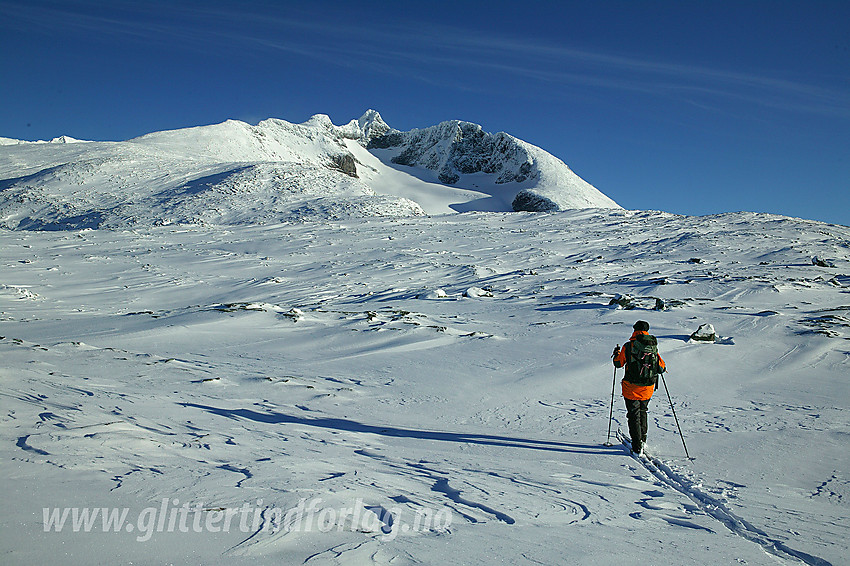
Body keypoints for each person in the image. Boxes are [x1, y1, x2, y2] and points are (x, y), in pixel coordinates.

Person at [612, 321, 665, 454]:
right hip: (648, 387)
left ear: (634, 330)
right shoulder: (652, 346)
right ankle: (643, 440)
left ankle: (636, 446)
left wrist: (616, 354)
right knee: (643, 412)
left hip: (631, 387)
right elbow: (661, 367)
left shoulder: (629, 346)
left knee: (633, 415)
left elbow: (618, 363)